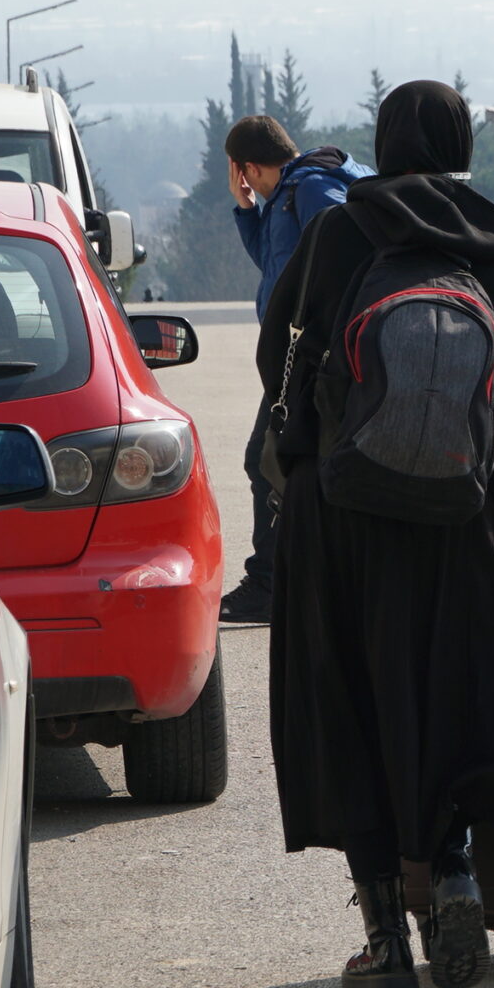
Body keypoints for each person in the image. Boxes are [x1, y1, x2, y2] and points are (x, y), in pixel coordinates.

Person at [259, 80, 494, 988]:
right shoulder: (489, 237)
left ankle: (384, 940)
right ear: (462, 140)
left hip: (336, 510)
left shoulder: (339, 232)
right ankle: (455, 877)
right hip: (452, 510)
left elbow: (280, 359)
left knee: (348, 697)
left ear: (381, 144)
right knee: (451, 690)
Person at [219, 115, 369, 624]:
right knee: (287, 463)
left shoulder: (312, 190)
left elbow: (341, 257)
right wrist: (248, 210)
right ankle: (297, 578)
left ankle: (269, 583)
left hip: (310, 354)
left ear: (247, 167)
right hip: (303, 352)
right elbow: (276, 265)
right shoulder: (288, 194)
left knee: (265, 460)